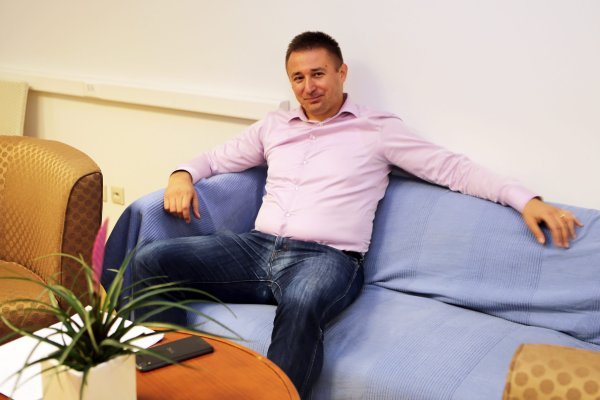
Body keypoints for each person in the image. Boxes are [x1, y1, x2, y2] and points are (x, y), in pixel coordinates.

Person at [134, 31, 582, 398]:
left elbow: (453, 169)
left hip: (326, 259)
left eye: (318, 74)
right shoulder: (274, 126)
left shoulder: (377, 129)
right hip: (257, 249)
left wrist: (526, 200)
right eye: (297, 78)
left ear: (341, 73)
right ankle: (168, 377)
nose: (308, 87)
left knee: (301, 304)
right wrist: (182, 175)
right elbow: (216, 158)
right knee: (151, 260)